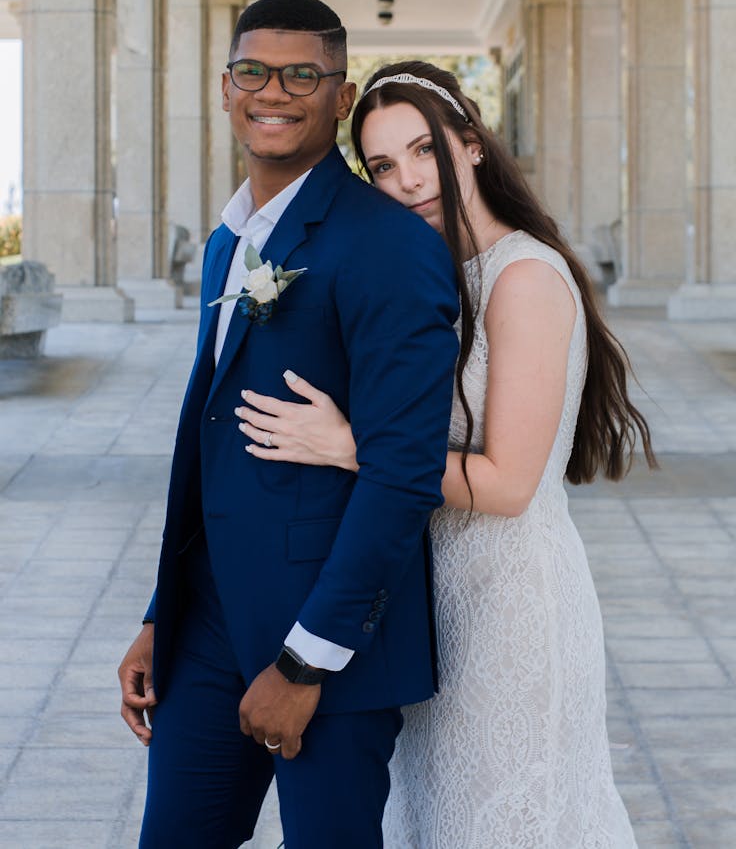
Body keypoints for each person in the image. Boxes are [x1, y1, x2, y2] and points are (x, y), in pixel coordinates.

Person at [237, 60, 657, 848]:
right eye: (384, 166)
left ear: (469, 143)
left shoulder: (524, 275)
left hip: (513, 602)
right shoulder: (441, 274)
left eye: (423, 150)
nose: (407, 181)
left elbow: (506, 483)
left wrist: (352, 447)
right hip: (435, 596)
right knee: (436, 819)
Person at [117, 4, 460, 849]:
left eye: (301, 74)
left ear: (339, 96)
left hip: (331, 641)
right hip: (206, 626)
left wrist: (306, 662)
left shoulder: (386, 245)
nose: (274, 92)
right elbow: (212, 451)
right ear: (226, 88)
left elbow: (404, 473)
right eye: (253, 72)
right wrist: (165, 609)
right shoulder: (229, 241)